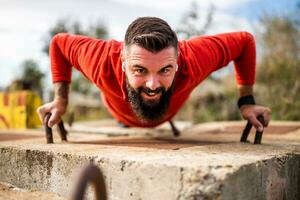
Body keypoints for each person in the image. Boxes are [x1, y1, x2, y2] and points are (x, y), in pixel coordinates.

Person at [37, 16, 271, 134]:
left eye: (165, 70)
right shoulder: (100, 59)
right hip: (119, 112)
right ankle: (124, 121)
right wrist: (61, 99)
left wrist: (246, 102)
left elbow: (245, 42)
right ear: (122, 63)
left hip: (167, 113)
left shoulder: (195, 58)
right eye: (139, 70)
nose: (152, 84)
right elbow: (58, 44)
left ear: (178, 63)